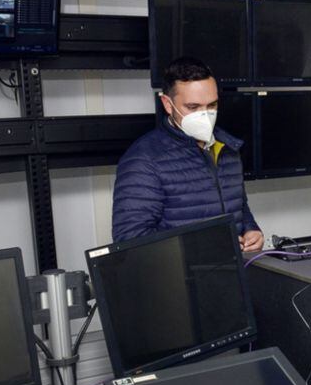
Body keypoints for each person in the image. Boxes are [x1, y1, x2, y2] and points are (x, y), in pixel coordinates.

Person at [112, 57, 264, 250]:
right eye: (193, 107)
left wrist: (251, 230)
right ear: (168, 104)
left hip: (231, 272)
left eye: (212, 105)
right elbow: (130, 241)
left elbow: (239, 207)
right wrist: (205, 247)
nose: (205, 114)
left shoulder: (228, 148)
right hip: (180, 278)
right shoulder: (143, 161)